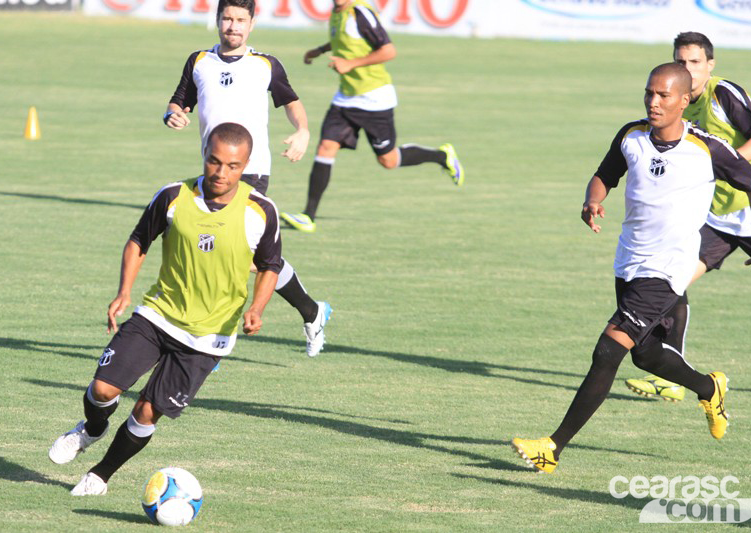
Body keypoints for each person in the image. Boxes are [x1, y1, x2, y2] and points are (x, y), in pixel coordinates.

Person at [511, 63, 751, 474]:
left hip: (668, 269)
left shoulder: (707, 149)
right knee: (647, 356)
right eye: (649, 93)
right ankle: (710, 387)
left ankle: (552, 448)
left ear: (685, 101)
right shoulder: (631, 136)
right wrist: (592, 199)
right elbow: (604, 175)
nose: (654, 101)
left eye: (664, 95)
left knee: (608, 350)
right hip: (629, 261)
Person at [49, 123, 280, 495]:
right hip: (158, 315)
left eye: (233, 166)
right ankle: (91, 429)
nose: (221, 173)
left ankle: (100, 475)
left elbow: (271, 265)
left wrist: (257, 307)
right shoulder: (173, 196)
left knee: (145, 411)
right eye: (214, 161)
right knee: (104, 389)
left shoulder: (261, 210)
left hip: (208, 337)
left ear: (246, 164)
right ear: (204, 153)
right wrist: (124, 291)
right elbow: (140, 240)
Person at [164, 0, 330, 357]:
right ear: (217, 20)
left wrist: (302, 131)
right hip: (214, 171)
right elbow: (179, 101)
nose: (233, 26)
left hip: (252, 171)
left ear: (252, 24)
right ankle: (312, 311)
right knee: (250, 260)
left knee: (229, 252)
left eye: (240, 20)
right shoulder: (198, 62)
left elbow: (291, 101)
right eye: (227, 18)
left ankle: (211, 342)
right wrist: (172, 114)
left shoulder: (265, 65)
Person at [625, 32, 751, 402]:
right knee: (671, 281)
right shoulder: (675, 101)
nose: (687, 69)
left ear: (710, 64)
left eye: (694, 62)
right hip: (717, 218)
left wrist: (723, 161)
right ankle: (672, 373)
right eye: (681, 61)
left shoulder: (723, 94)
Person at [279, 0, 464, 234]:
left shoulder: (360, 12)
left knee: (388, 160)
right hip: (345, 98)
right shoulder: (338, 12)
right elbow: (346, 41)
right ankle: (308, 216)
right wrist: (320, 50)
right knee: (325, 147)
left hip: (374, 99)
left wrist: (351, 64)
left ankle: (441, 155)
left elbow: (388, 50)